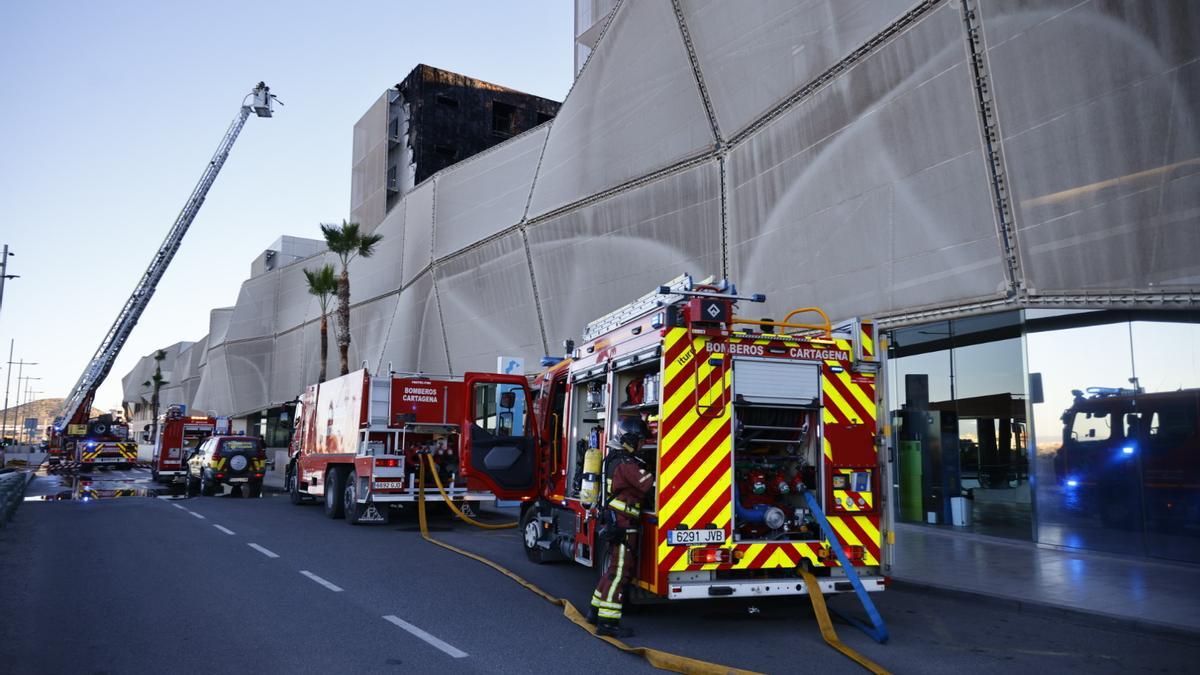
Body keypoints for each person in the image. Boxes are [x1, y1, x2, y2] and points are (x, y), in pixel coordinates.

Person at [588, 415, 654, 638]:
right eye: (640, 440)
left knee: (612, 570)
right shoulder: (627, 465)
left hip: (616, 522)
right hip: (624, 524)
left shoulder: (614, 458)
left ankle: (594, 611)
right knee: (620, 573)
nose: (642, 444)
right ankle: (608, 623)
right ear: (630, 439)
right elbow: (649, 486)